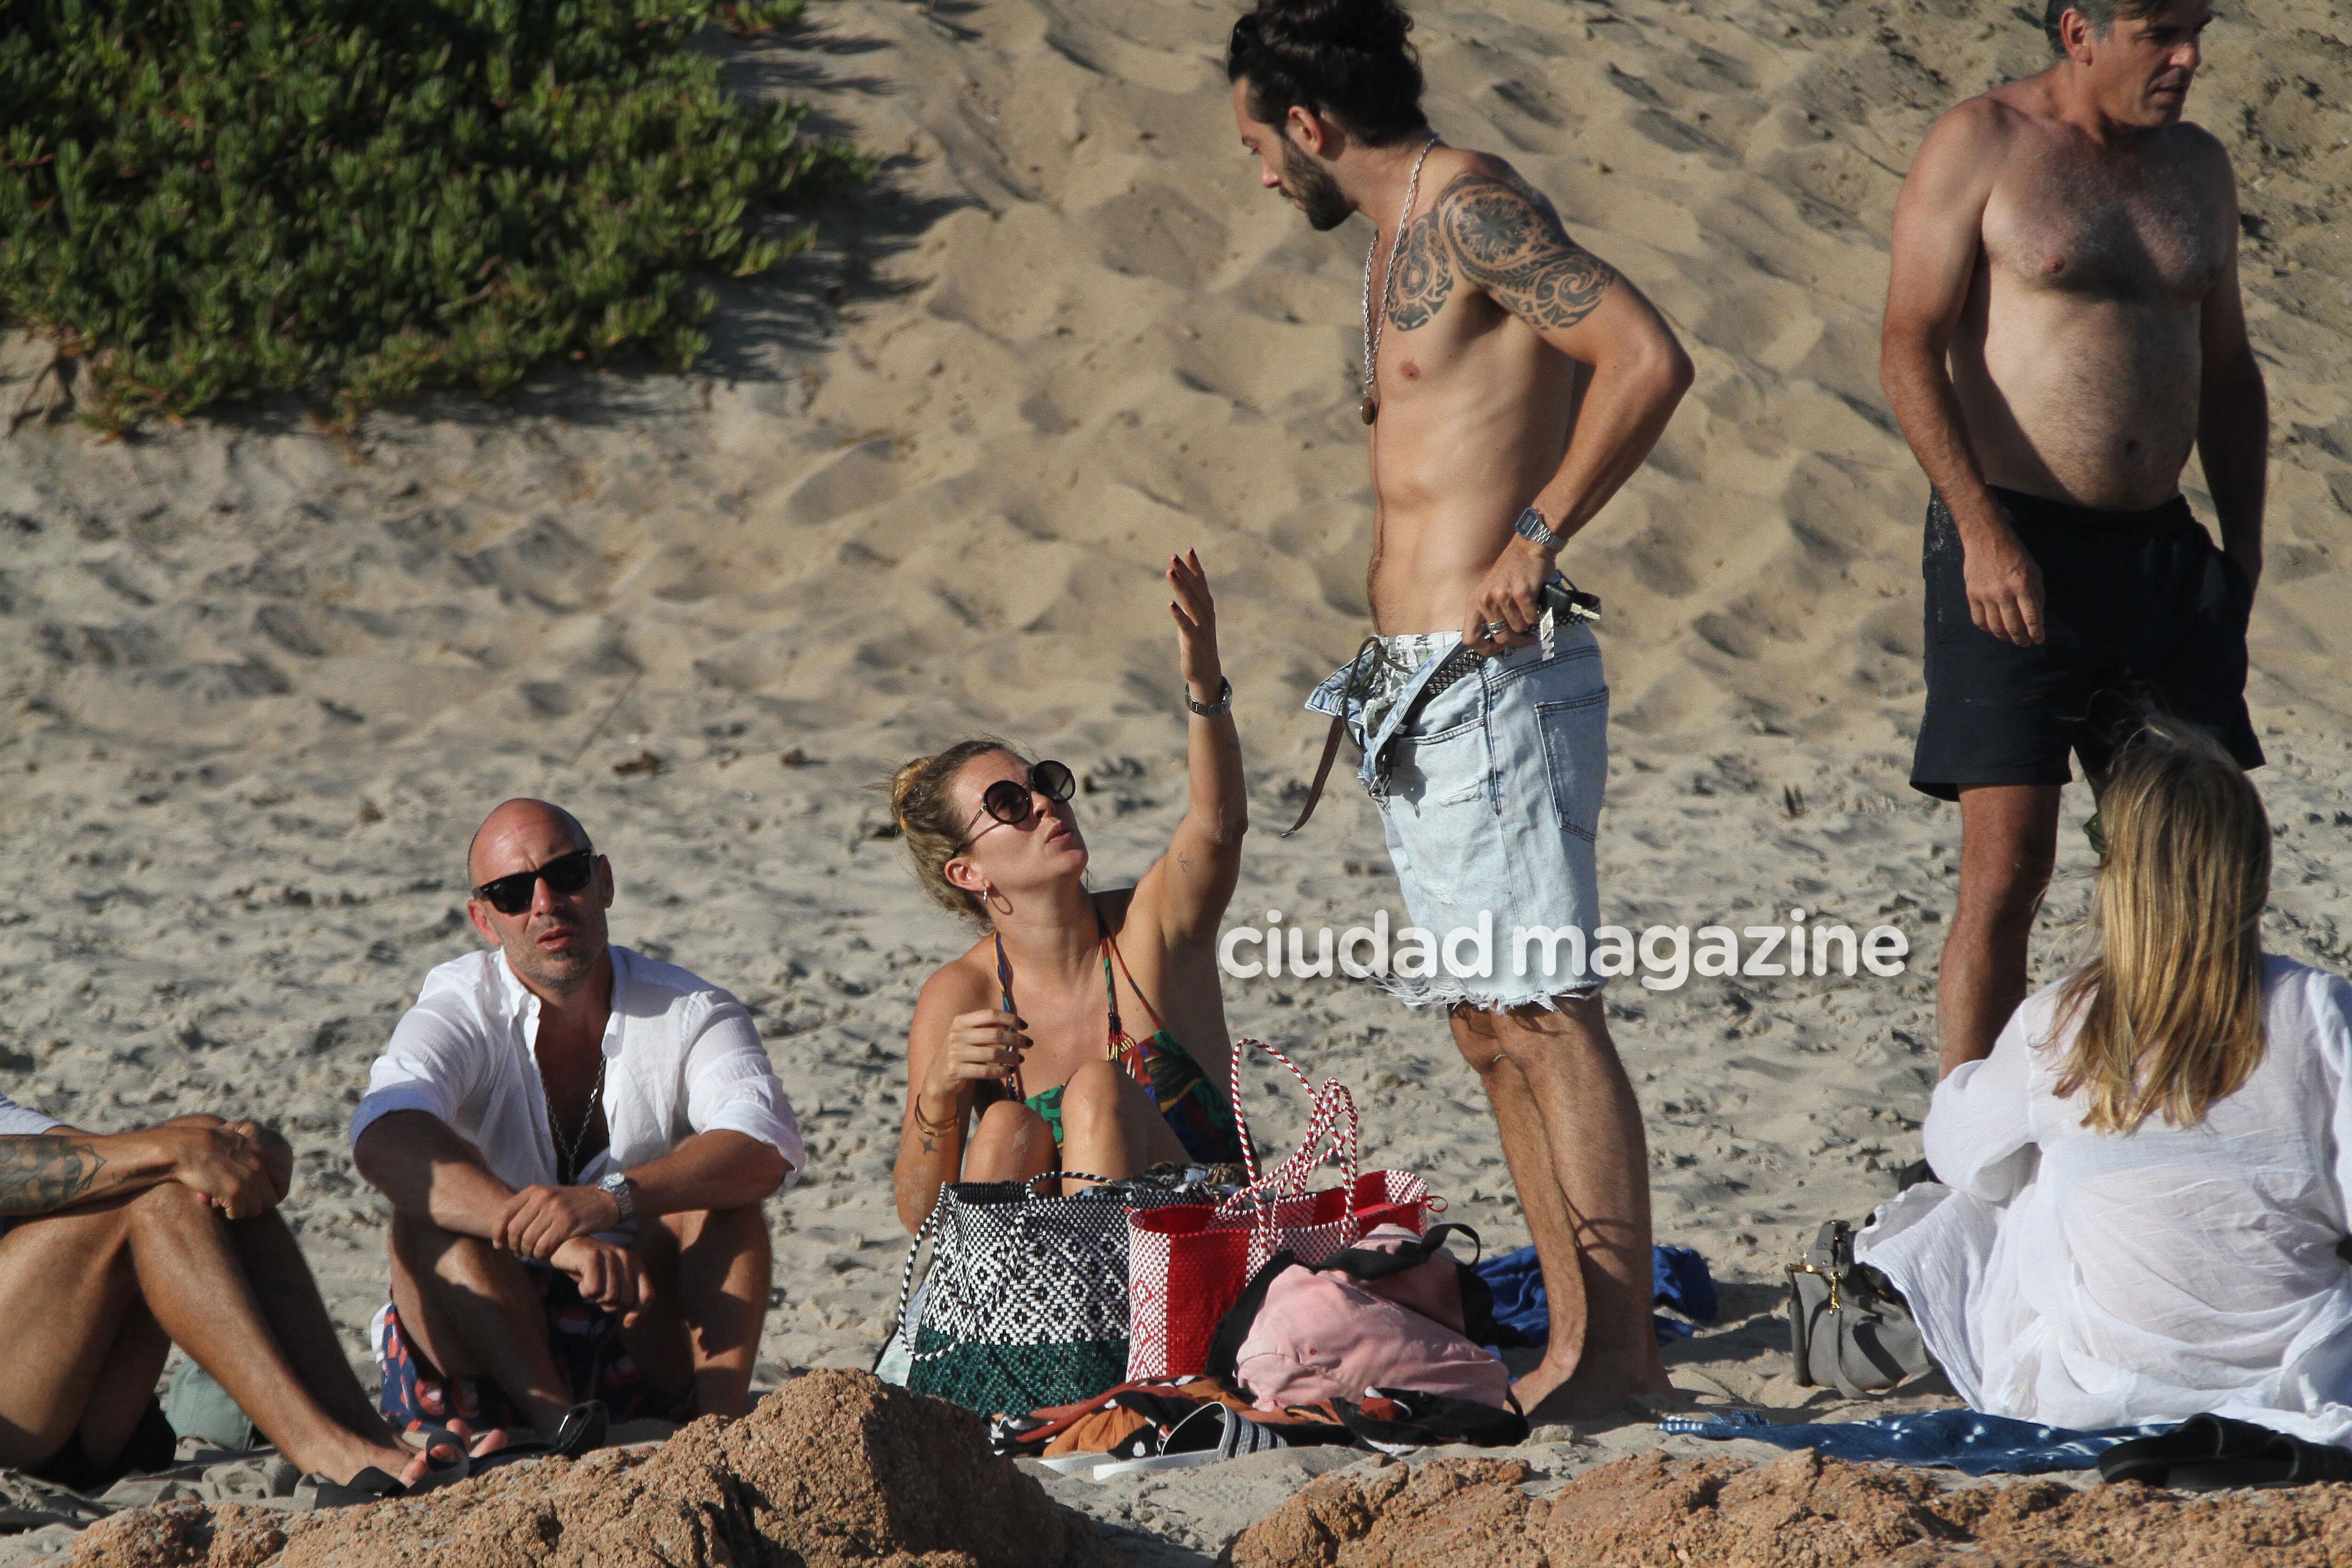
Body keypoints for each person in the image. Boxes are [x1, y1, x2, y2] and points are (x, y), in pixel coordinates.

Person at [1225, 0, 1691, 1415]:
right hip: (1415, 693)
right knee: (1485, 1026)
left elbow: (1648, 357)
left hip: (1497, 682)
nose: (1259, 177)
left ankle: (1617, 1358)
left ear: (1308, 125)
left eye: (1257, 145)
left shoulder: (1477, 210)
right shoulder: (1391, 241)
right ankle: (1572, 1337)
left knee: (1547, 1013)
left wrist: (1537, 536)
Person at [1879, 0, 2267, 1078]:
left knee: (2185, 854)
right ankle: (1964, 1147)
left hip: (2162, 554)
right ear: (2078, 30)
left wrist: (2243, 552)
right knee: (2008, 867)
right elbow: (1907, 350)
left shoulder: (2198, 169)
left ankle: (2181, 1103)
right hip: (2014, 545)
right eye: (2160, 33)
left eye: (2198, 30)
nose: (2187, 57)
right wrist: (1980, 533)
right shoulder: (1983, 144)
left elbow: (2229, 376)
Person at [1859, 724, 2352, 1442]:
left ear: (2114, 880)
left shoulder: (2058, 1019)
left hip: (2100, 1390)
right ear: (2255, 874)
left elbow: (1953, 1154)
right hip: (2302, 1379)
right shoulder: (2317, 1007)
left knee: (2011, 1170)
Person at [350, 799, 804, 1444]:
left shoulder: (691, 1008)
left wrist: (606, 1200)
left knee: (722, 1201)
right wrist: (556, 1237)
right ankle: (558, 1426)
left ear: (604, 882)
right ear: (485, 920)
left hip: (635, 1321)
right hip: (483, 1338)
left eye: (565, 876)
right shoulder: (460, 1005)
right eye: (512, 892)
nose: (545, 904)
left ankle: (719, 1432)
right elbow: (383, 1133)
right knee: (427, 1217)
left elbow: (767, 1146)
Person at [890, 552, 1248, 1233]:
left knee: (1098, 1091)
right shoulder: (960, 996)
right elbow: (920, 1217)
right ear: (967, 872)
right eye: (1007, 802)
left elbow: (1219, 826)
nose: (1045, 805)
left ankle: (1098, 1332)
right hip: (1046, 1288)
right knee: (1001, 1130)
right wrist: (938, 1092)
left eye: (1045, 783)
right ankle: (1030, 1340)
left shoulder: (1150, 929)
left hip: (1204, 1250)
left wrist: (1204, 687)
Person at [0, 1100, 473, 1490]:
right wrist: (185, 1151)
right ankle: (319, 1446)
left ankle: (363, 1430)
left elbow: (92, 1157)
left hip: (72, 1409)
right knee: (171, 1172)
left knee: (200, 1152)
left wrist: (241, 1148)